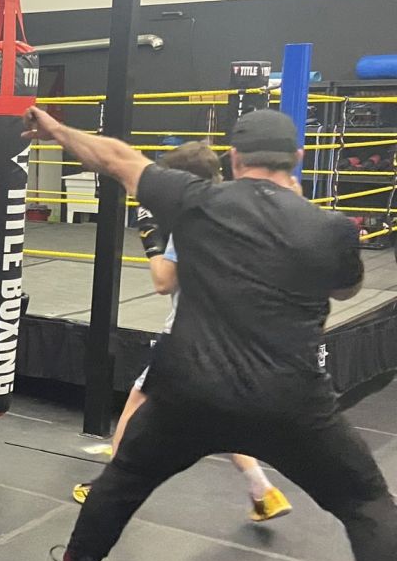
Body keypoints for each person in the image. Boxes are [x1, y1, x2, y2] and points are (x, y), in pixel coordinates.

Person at [25, 107, 397, 561]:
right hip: (290, 401)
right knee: (367, 501)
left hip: (191, 394)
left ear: (235, 158)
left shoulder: (197, 200)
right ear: (297, 159)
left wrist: (56, 131)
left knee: (123, 480)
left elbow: (117, 157)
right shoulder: (329, 228)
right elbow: (346, 289)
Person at [71, 141, 293, 523]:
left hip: (188, 337)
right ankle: (263, 490)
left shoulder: (192, 219)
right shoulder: (240, 213)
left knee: (136, 403)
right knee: (217, 418)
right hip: (236, 335)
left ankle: (107, 488)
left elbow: (163, 281)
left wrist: (150, 236)